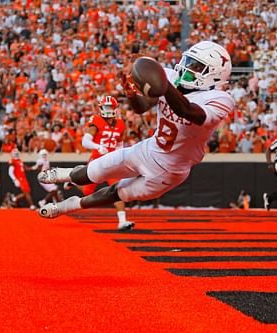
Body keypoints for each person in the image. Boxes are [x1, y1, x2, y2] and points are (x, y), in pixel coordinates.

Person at [38, 41, 234, 219]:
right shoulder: (172, 77)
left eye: (196, 66)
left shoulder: (220, 99)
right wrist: (131, 94)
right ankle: (68, 174)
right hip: (147, 149)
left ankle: (70, 206)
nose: (187, 68)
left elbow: (188, 111)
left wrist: (164, 85)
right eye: (189, 61)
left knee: (115, 193)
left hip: (170, 170)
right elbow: (142, 107)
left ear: (215, 75)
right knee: (90, 172)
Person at [65, 96, 134, 230]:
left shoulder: (120, 124)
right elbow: (85, 141)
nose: (108, 110)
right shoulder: (96, 121)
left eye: (110, 107)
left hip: (112, 161)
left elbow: (120, 142)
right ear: (101, 108)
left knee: (117, 189)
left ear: (115, 108)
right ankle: (74, 181)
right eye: (106, 107)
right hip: (97, 160)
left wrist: (120, 154)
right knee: (87, 191)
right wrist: (98, 147)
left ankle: (122, 221)